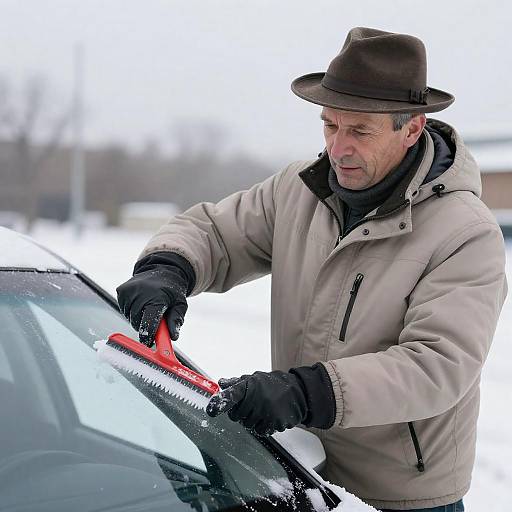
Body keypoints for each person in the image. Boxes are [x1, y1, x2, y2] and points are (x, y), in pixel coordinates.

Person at [117, 27, 507, 511]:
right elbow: (216, 233)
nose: (339, 147)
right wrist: (165, 268)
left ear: (412, 128)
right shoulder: (299, 189)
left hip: (399, 497)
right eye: (330, 125)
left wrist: (305, 391)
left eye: (360, 131)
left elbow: (437, 366)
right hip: (300, 472)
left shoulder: (465, 233)